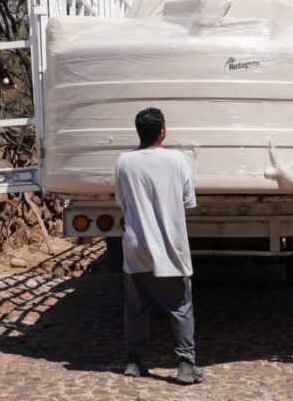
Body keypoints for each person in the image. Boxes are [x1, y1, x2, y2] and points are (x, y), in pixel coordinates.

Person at [114, 107, 205, 385]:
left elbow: (122, 201)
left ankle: (134, 361)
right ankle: (186, 365)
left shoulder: (124, 161)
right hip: (170, 247)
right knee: (180, 308)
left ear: (138, 131)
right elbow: (188, 201)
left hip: (136, 247)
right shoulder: (177, 161)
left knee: (136, 308)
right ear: (163, 131)